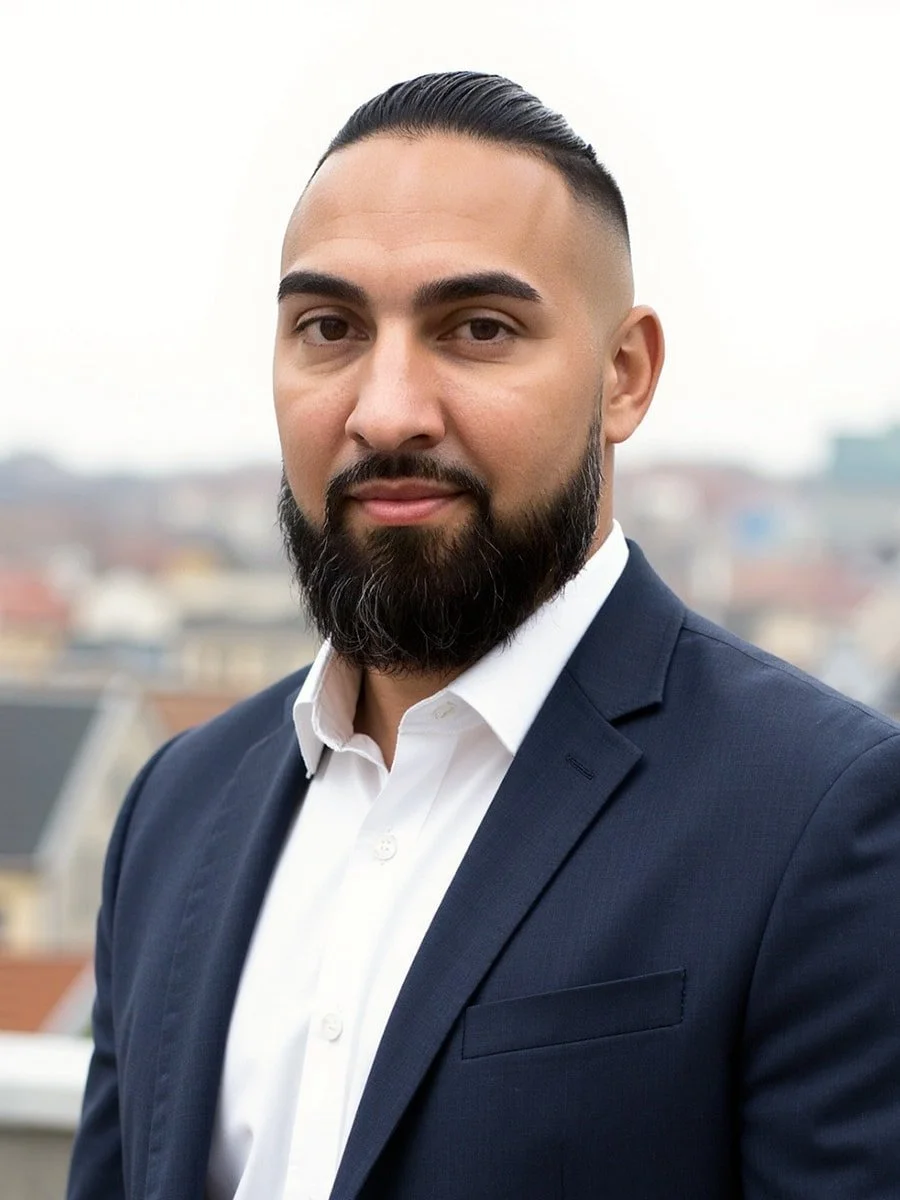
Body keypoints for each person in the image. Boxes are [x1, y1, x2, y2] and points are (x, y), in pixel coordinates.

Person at [67, 72, 900, 1200]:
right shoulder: (174, 811)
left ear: (624, 375)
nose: (388, 408)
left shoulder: (819, 815)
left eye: (479, 329)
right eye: (329, 328)